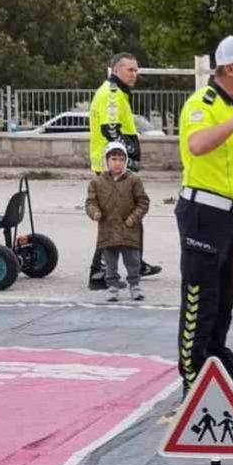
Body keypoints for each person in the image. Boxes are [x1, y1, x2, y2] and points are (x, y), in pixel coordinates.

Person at [174, 35, 233, 396]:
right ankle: (191, 376)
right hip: (203, 213)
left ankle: (218, 362)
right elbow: (197, 145)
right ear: (230, 68)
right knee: (200, 298)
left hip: (228, 217)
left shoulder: (232, 106)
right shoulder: (204, 102)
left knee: (224, 298)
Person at [88, 52, 162, 289]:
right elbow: (111, 131)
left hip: (116, 168)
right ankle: (98, 274)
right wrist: (123, 164)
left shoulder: (118, 94)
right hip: (112, 171)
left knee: (131, 218)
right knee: (112, 221)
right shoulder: (111, 94)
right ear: (116, 70)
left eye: (136, 70)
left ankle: (136, 263)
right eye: (130, 70)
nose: (135, 74)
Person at [85, 142, 151, 303]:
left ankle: (134, 286)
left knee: (133, 260)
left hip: (129, 229)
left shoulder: (134, 180)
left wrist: (133, 218)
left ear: (126, 161)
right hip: (108, 229)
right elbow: (90, 202)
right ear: (106, 161)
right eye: (114, 159)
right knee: (110, 261)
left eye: (121, 159)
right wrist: (95, 213)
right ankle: (112, 287)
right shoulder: (97, 182)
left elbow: (143, 202)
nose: (117, 163)